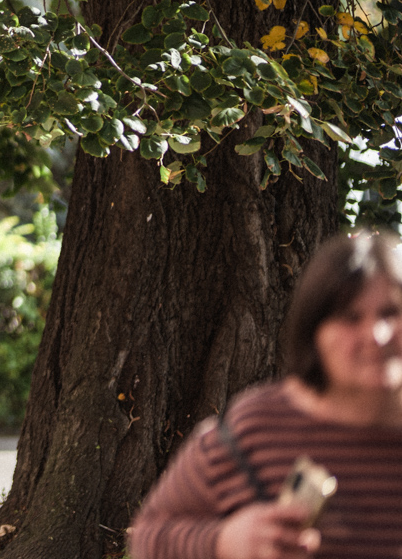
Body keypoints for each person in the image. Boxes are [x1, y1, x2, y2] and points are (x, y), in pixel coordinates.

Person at [128, 232, 402, 559]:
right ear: (313, 333)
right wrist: (225, 541)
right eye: (351, 317)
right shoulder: (253, 429)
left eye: (390, 313)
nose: (377, 335)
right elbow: (147, 538)